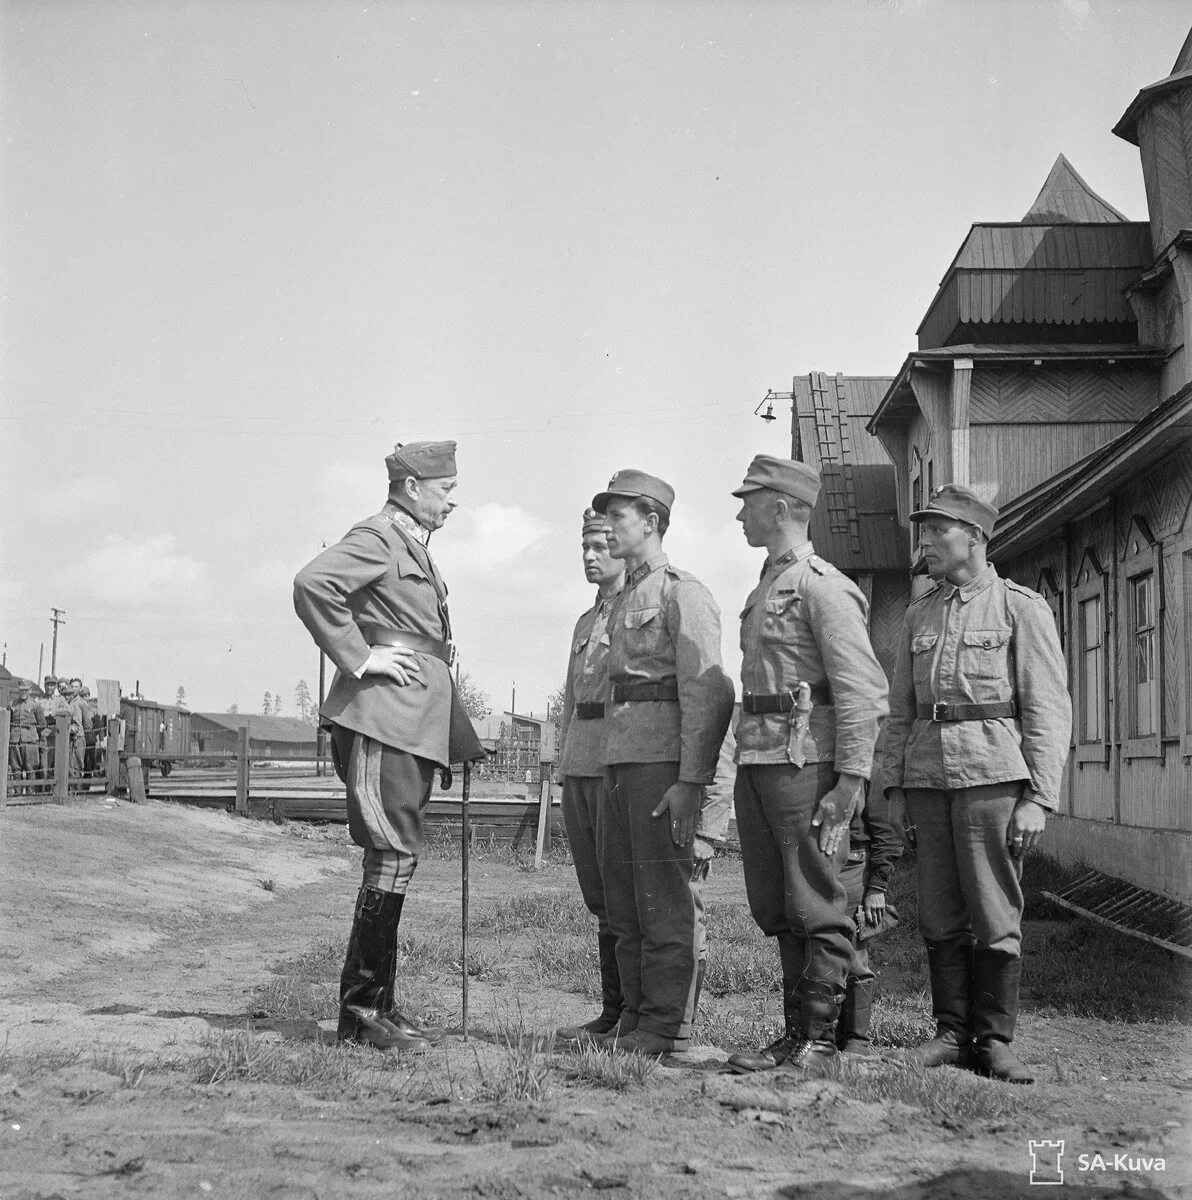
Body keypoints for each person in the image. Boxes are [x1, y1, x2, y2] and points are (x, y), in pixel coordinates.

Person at [294, 439, 482, 1052]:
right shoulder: (379, 537)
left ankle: (381, 1008)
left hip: (411, 720)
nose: (453, 502)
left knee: (397, 856)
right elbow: (313, 583)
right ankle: (360, 1011)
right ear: (411, 487)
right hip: (383, 718)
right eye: (446, 490)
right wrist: (361, 656)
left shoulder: (411, 547)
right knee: (390, 854)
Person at [883, 484, 1070, 1085]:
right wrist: (892, 787)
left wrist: (1039, 797)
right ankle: (950, 1033)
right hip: (928, 779)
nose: (926, 542)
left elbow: (1048, 709)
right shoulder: (919, 613)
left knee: (994, 908)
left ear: (976, 538)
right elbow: (900, 712)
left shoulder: (1020, 608)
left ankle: (993, 1039)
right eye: (924, 531)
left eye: (938, 531)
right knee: (938, 909)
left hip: (993, 775)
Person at [725, 455, 889, 1075]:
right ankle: (795, 1036)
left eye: (749, 501)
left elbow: (862, 694)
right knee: (778, 902)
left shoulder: (824, 586)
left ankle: (820, 1042)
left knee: (818, 901)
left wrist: (849, 785)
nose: (741, 512)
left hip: (806, 764)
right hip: (762, 759)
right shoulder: (766, 584)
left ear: (781, 507)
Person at [594, 469, 734, 1056]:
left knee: (665, 901)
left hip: (661, 768)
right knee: (625, 901)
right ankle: (635, 1019)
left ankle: (669, 1028)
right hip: (621, 763)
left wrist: (690, 781)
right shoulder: (625, 594)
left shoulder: (684, 592)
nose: (608, 525)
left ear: (651, 523)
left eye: (619, 515)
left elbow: (711, 693)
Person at [555, 507, 627, 1043]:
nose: (589, 556)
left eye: (600, 545)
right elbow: (571, 701)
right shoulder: (586, 621)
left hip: (616, 763)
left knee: (624, 893)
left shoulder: (637, 611)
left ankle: (636, 1014)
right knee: (598, 894)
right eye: (584, 547)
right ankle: (612, 1010)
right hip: (580, 763)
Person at [836, 765, 902, 1055]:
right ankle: (820, 1035)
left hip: (852, 865)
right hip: (813, 863)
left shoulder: (864, 764)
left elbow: (886, 829)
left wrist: (877, 886)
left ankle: (856, 1039)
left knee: (853, 954)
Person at [7, 680, 44, 795]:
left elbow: (42, 724)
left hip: (30, 741)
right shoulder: (13, 704)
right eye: (22, 690)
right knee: (16, 768)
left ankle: (30, 793)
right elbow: (8, 722)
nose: (23, 692)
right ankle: (18, 793)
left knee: (30, 768)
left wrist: (32, 734)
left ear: (30, 690)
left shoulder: (35, 705)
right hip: (15, 740)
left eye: (26, 690)